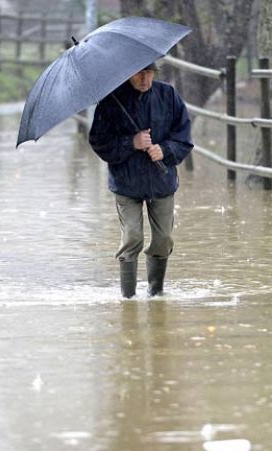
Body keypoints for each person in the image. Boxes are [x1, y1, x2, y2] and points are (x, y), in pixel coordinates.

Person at [89, 62, 193, 298]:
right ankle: (128, 298)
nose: (145, 79)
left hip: (162, 181)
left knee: (164, 239)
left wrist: (165, 150)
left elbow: (184, 138)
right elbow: (99, 142)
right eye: (139, 73)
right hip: (126, 184)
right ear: (128, 74)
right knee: (132, 237)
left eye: (149, 73)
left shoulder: (169, 96)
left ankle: (156, 294)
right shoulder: (110, 101)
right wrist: (131, 143)